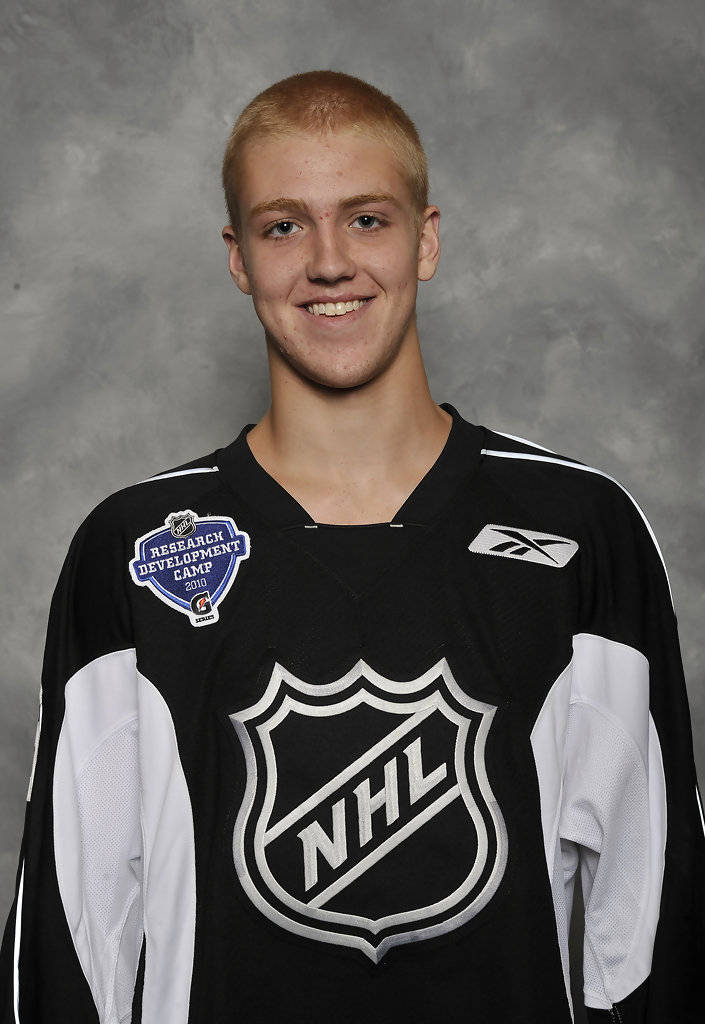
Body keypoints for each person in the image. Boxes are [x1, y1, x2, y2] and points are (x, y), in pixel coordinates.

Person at [0, 69, 703, 1024]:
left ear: (426, 239)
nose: (329, 261)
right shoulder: (131, 551)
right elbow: (69, 936)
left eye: (366, 219)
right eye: (283, 225)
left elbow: (652, 918)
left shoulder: (583, 530)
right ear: (238, 257)